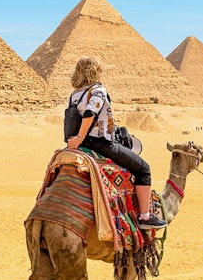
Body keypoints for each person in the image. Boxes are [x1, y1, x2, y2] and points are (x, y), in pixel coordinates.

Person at [65, 56, 165, 228]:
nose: (101, 74)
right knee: (143, 169)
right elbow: (90, 113)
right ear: (94, 72)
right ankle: (145, 217)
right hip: (100, 144)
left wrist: (76, 141)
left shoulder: (75, 94)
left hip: (80, 144)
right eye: (100, 71)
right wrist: (80, 137)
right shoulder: (97, 90)